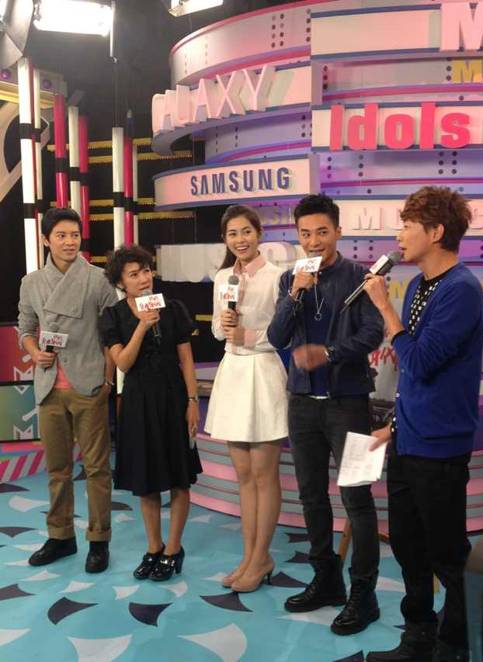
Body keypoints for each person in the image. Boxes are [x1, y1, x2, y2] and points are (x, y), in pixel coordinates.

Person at [364, 187, 483, 662]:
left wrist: (384, 309)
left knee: (447, 554)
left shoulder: (462, 290)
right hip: (409, 439)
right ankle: (418, 636)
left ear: (435, 232)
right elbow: (410, 379)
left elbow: (421, 362)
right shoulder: (418, 285)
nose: (398, 236)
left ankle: (454, 646)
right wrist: (394, 426)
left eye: (407, 226)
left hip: (441, 445)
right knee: (408, 546)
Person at [267, 193, 384, 635]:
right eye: (305, 234)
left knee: (358, 500)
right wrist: (295, 293)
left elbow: (373, 333)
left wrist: (329, 353)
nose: (314, 241)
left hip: (350, 403)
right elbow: (277, 336)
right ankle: (326, 580)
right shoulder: (289, 279)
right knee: (311, 496)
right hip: (301, 405)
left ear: (338, 231)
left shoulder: (360, 276)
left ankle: (364, 594)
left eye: (322, 232)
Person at [18, 207, 117, 573]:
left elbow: (112, 333)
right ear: (46, 240)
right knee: (57, 467)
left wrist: (108, 380)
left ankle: (99, 539)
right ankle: (60, 536)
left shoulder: (98, 279)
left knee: (97, 468)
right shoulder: (31, 282)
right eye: (61, 235)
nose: (69, 242)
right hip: (49, 384)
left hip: (88, 382)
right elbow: (25, 326)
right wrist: (33, 352)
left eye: (74, 235)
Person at [100, 245, 202, 581]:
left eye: (146, 271)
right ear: (121, 283)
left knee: (179, 478)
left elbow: (186, 359)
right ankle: (154, 546)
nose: (144, 279)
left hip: (174, 398)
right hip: (138, 402)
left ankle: (173, 549)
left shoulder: (173, 308)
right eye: (134, 274)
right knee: (147, 482)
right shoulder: (113, 316)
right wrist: (142, 326)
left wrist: (192, 401)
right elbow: (123, 363)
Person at [205, 205, 288, 593]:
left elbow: (285, 331)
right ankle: (250, 557)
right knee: (243, 475)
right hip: (233, 371)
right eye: (232, 234)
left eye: (246, 232)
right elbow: (216, 330)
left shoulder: (277, 276)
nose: (240, 240)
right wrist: (224, 327)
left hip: (264, 371)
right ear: (225, 239)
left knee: (263, 474)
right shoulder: (223, 277)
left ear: (259, 234)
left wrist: (249, 336)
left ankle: (261, 557)